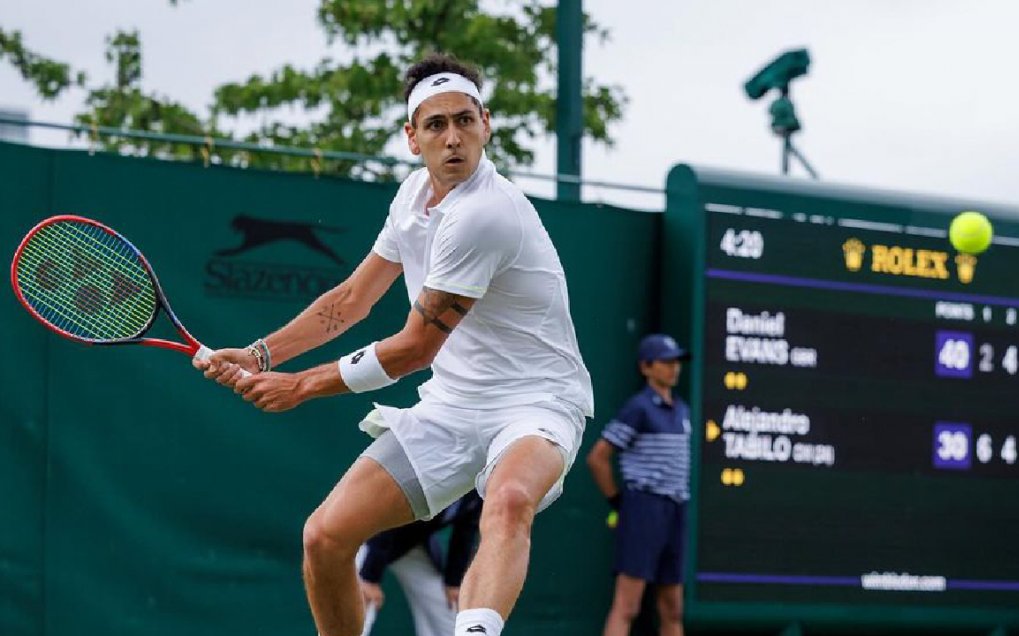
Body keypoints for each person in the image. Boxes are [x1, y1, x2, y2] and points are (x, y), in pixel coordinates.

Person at [194, 51, 593, 636]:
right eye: (436, 125)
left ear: (486, 124)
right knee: (325, 539)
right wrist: (262, 354)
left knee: (508, 501)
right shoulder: (411, 200)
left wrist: (301, 385)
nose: (453, 137)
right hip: (453, 407)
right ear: (412, 138)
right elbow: (353, 299)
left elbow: (413, 350)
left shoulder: (486, 214)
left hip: (538, 403)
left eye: (464, 120)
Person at [587, 334, 692, 636]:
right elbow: (598, 458)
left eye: (676, 362)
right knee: (627, 606)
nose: (674, 368)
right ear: (646, 367)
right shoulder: (638, 407)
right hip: (643, 508)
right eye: (666, 362)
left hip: (676, 508)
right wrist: (618, 502)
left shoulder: (683, 410)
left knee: (673, 608)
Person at [357, 492, 482, 636]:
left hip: (412, 545)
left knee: (446, 603)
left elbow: (466, 530)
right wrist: (369, 576)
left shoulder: (477, 488)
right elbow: (386, 515)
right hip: (369, 537)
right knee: (362, 601)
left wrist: (453, 582)